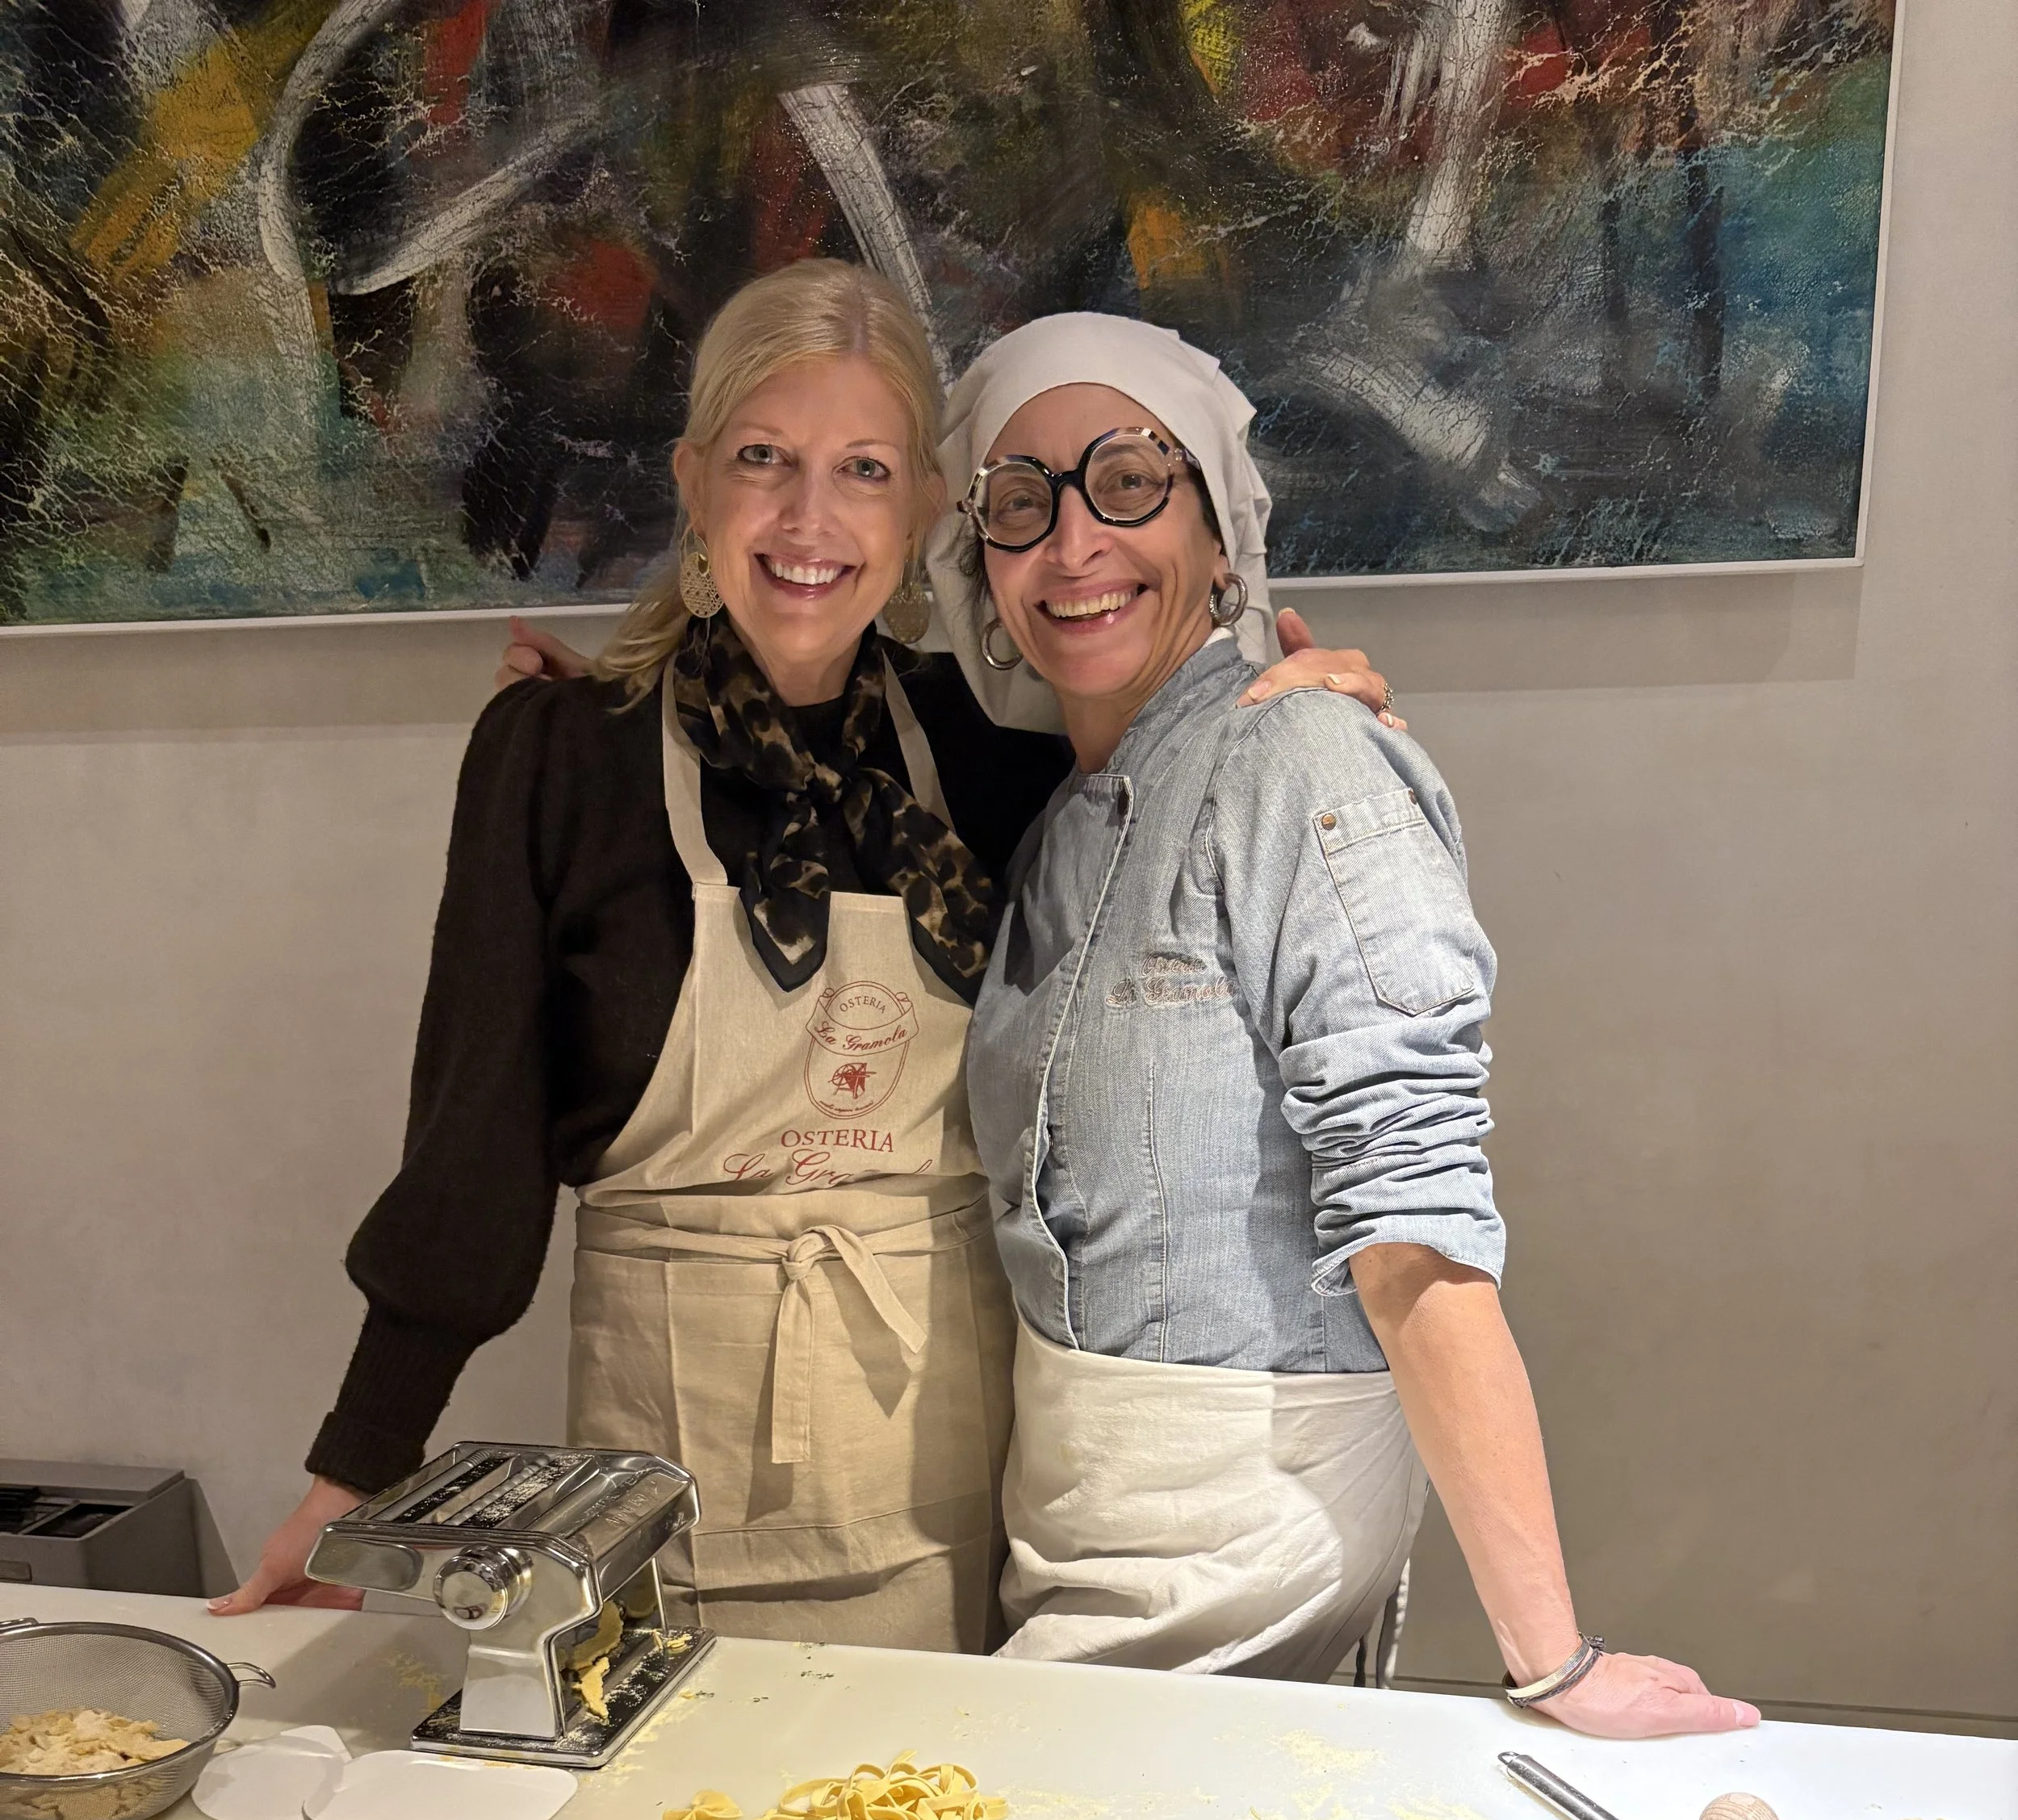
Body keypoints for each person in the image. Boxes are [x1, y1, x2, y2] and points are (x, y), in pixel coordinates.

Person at [214, 262, 1396, 1650]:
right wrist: (355, 1471)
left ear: (922, 518)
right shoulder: (559, 758)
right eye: (765, 460)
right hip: (664, 1473)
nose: (808, 518)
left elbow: (1188, 802)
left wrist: (1282, 709)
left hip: (959, 1474)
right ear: (695, 484)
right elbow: (473, 1148)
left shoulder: (998, 757)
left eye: (864, 470)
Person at [932, 315, 1753, 1737]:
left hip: (1244, 1533)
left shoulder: (1308, 760)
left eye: (1130, 480)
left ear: (1224, 530)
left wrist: (1554, 1663)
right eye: (1021, 501)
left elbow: (1416, 1227)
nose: (1073, 546)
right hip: (1067, 1517)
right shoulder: (1058, 821)